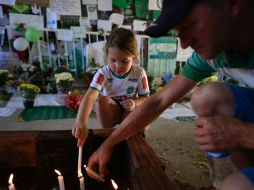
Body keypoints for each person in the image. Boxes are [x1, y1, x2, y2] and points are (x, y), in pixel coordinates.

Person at [85, 0, 254, 189]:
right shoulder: (216, 54)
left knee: (237, 186)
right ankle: (234, 174)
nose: (183, 44)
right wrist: (109, 143)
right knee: (207, 97)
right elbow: (158, 102)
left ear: (233, 4)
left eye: (191, 25)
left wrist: (243, 134)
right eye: (178, 31)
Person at [72, 28, 150, 147]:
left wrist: (135, 102)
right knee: (101, 100)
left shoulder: (139, 73)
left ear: (134, 58)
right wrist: (81, 122)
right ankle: (107, 134)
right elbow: (90, 96)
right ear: (107, 55)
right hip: (110, 113)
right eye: (113, 60)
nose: (118, 66)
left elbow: (146, 98)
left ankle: (134, 137)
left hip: (127, 112)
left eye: (125, 61)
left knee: (143, 116)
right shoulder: (103, 73)